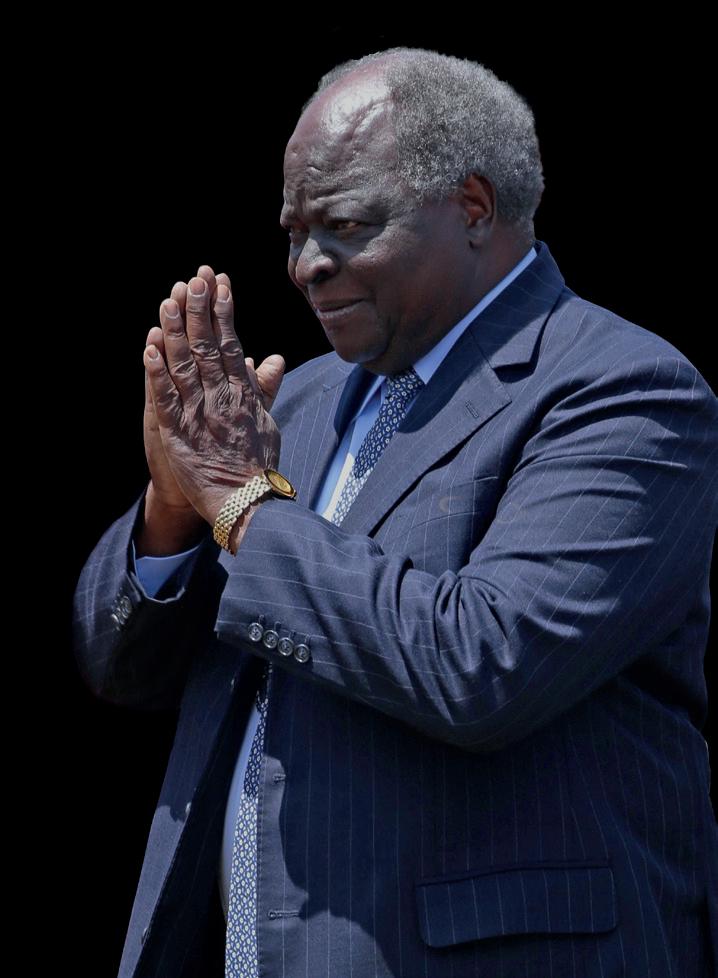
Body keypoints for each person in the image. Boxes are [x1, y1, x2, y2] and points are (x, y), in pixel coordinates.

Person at [73, 46, 718, 978]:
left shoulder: (621, 392)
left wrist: (241, 503)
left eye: (343, 227)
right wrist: (174, 507)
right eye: (294, 232)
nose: (306, 267)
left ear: (473, 207)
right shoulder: (290, 406)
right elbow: (120, 668)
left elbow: (484, 663)